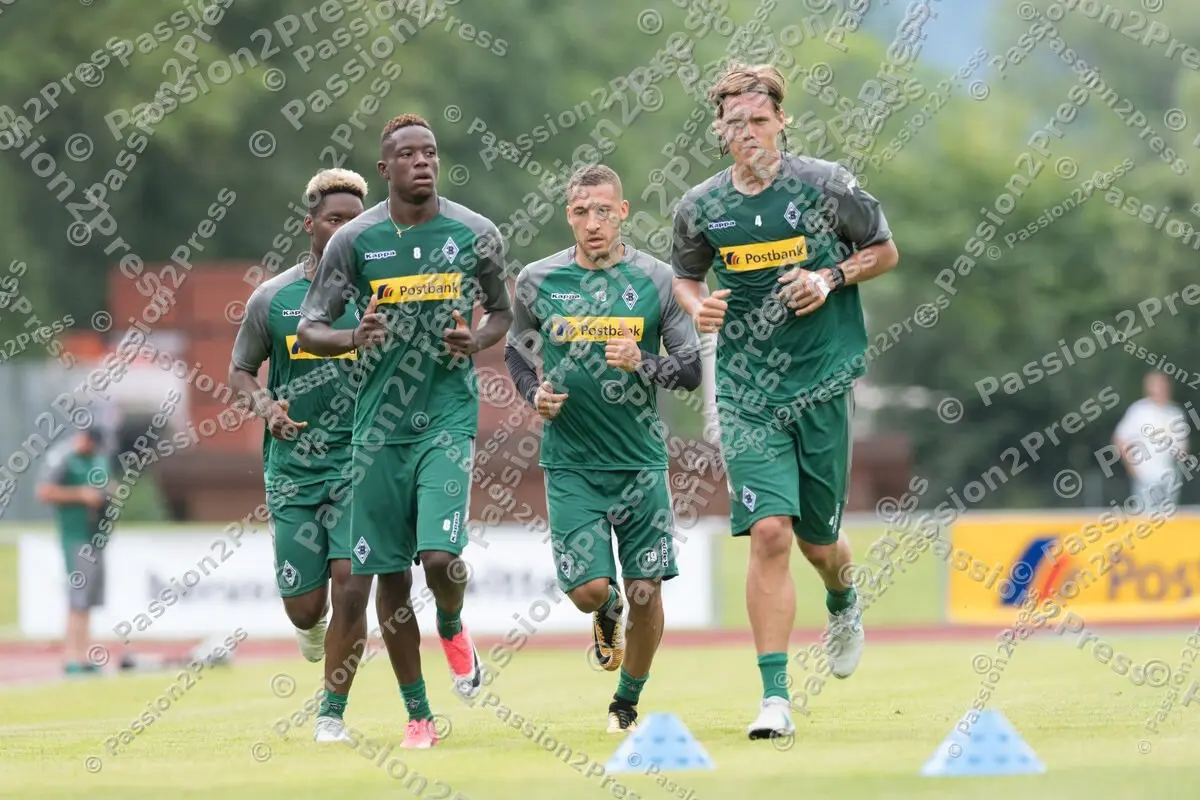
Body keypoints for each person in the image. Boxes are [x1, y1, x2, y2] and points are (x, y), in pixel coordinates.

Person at [670, 62, 900, 740]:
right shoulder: (700, 206)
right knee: (769, 531)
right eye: (735, 122)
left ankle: (842, 598)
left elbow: (885, 250)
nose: (748, 132)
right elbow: (685, 276)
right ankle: (775, 698)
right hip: (747, 389)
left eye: (759, 120)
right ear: (719, 130)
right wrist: (698, 306)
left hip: (823, 380)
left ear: (781, 122)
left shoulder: (826, 185)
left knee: (818, 542)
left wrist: (830, 277)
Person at [297, 113, 514, 749]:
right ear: (385, 167)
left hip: (446, 416)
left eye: (431, 152)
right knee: (389, 577)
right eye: (409, 154)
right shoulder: (354, 241)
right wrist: (352, 336)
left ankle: (451, 623)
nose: (423, 162)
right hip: (377, 430)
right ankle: (419, 716)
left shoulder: (475, 232)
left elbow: (502, 312)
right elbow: (311, 326)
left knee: (441, 558)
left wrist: (476, 339)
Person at [505, 164, 702, 734]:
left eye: (603, 211)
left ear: (622, 212)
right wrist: (534, 394)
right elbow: (517, 352)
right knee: (590, 590)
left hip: (640, 462)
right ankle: (604, 610)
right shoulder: (538, 280)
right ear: (568, 215)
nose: (593, 223)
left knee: (646, 590)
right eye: (581, 211)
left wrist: (644, 361)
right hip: (570, 462)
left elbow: (690, 370)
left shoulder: (657, 280)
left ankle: (626, 701)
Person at [228, 168, 376, 743]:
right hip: (293, 468)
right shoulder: (273, 298)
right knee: (305, 608)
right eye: (334, 219)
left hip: (360, 464)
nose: (345, 230)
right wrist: (268, 409)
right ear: (310, 224)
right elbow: (241, 372)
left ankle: (331, 714)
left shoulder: (378, 294)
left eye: (355, 221)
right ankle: (310, 627)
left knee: (352, 587)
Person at [37, 426, 113, 676]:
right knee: (77, 598)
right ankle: (71, 656)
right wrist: (81, 495)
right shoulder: (64, 459)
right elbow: (44, 492)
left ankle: (84, 655)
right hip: (75, 536)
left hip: (96, 536)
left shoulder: (98, 460)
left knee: (88, 600)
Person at [1113, 371, 1189, 512]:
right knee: (1146, 519)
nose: (1160, 388)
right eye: (1156, 385)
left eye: (1163, 385)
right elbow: (1120, 438)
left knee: (1169, 519)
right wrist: (1131, 468)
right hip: (1145, 477)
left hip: (1169, 478)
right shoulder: (1139, 411)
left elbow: (1182, 447)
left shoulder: (1175, 413)